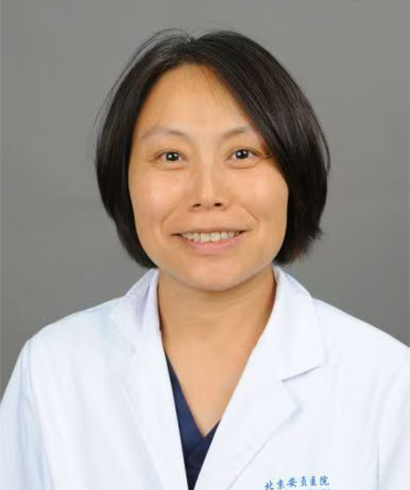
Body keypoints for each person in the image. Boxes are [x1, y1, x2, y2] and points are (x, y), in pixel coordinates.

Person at [1, 28, 409, 490]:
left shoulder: (387, 383)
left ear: (294, 174)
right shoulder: (53, 371)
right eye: (171, 156)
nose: (208, 194)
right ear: (123, 179)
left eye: (242, 153)